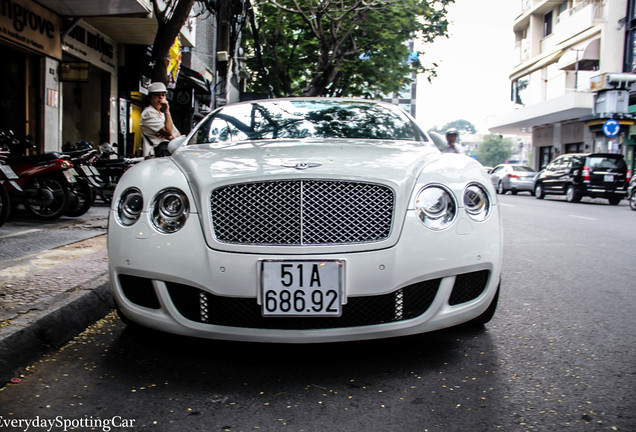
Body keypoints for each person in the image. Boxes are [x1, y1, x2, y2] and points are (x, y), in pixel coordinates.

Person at [140, 82, 181, 157]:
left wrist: (171, 136)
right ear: (150, 97)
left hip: (165, 153)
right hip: (155, 154)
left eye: (163, 95)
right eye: (157, 95)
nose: (161, 97)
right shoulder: (148, 112)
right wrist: (167, 110)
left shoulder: (162, 114)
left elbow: (177, 134)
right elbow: (169, 132)